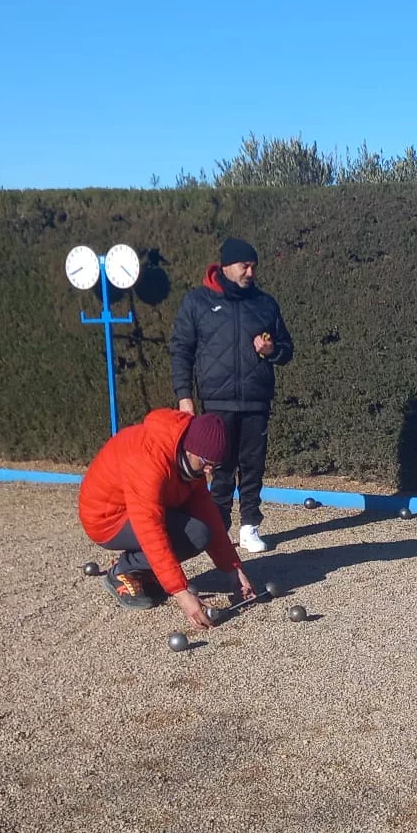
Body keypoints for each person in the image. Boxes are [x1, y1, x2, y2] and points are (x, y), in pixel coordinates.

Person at [78, 408, 256, 634]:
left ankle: (147, 571)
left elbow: (207, 515)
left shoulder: (190, 462)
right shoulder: (148, 460)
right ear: (189, 450)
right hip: (107, 518)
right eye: (206, 463)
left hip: (143, 507)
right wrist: (181, 593)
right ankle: (121, 572)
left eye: (215, 465)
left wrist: (234, 570)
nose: (209, 472)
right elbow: (150, 530)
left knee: (199, 532)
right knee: (185, 535)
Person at [169, 237, 294, 554]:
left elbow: (286, 349)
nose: (250, 272)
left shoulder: (265, 303)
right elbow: (181, 350)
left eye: (253, 266)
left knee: (253, 466)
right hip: (217, 401)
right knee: (219, 469)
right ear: (226, 266)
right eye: (244, 266)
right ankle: (219, 527)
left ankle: (250, 526)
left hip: (256, 399)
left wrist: (271, 350)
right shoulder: (198, 301)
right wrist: (185, 396)